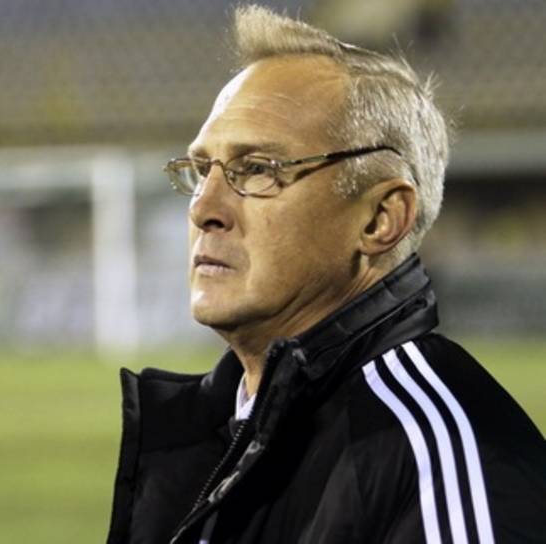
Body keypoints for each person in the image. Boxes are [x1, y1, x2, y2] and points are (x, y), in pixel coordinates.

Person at [106, 5, 546, 544]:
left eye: (258, 169)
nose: (204, 208)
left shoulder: (435, 452)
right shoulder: (222, 423)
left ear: (380, 219)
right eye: (202, 170)